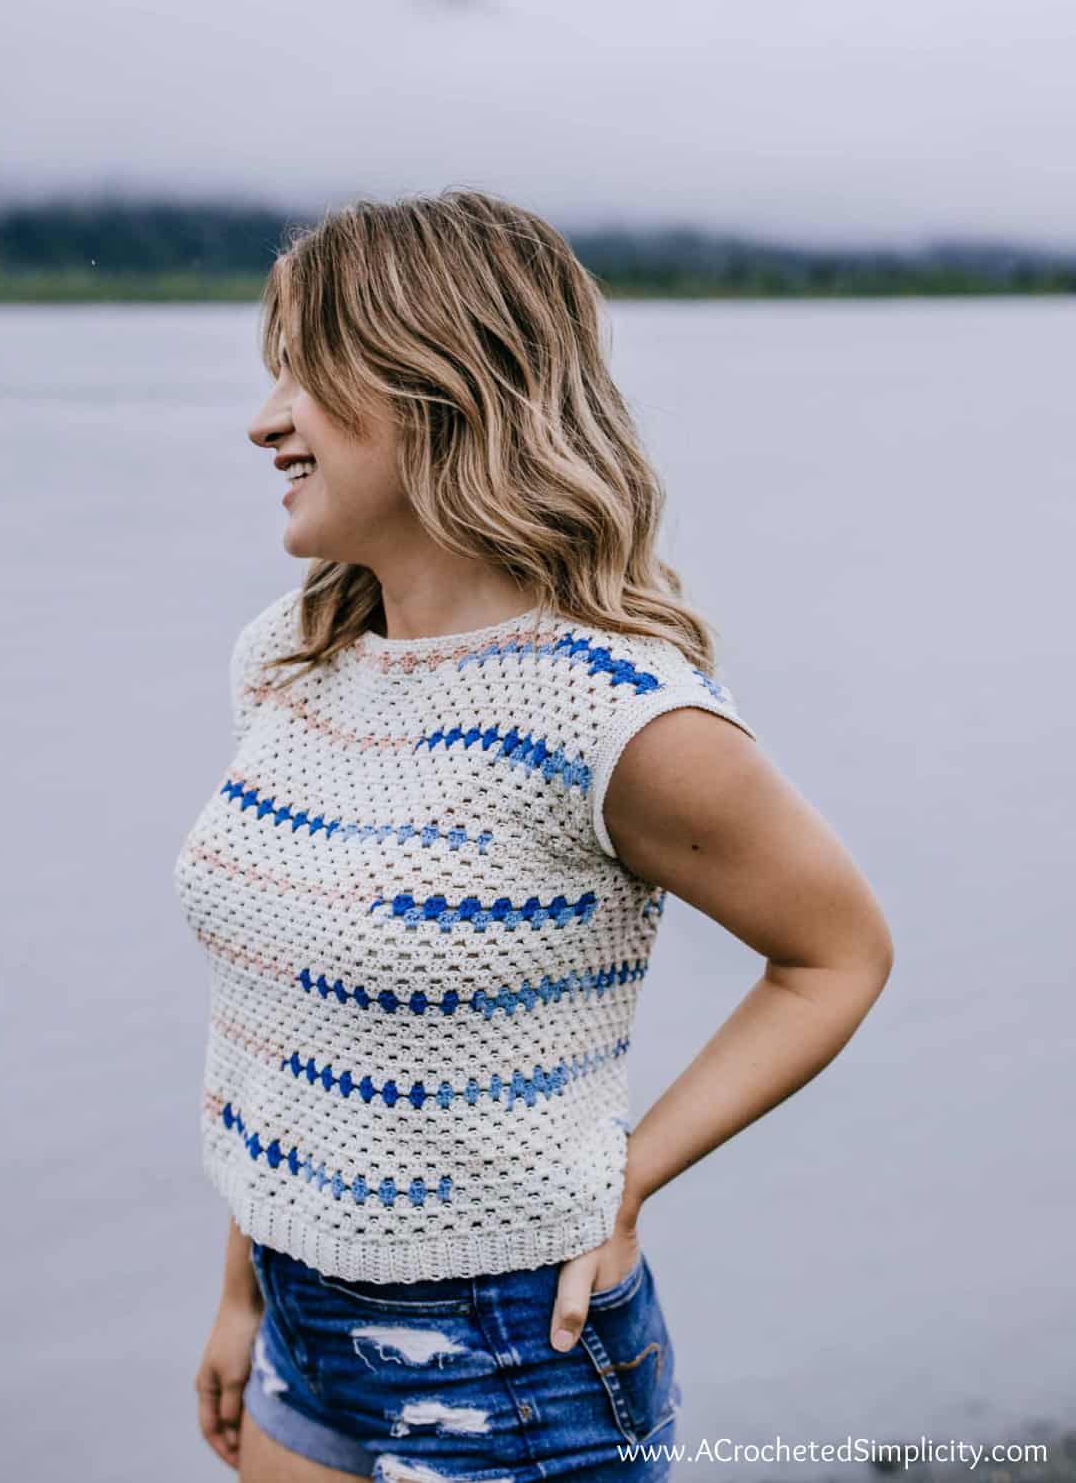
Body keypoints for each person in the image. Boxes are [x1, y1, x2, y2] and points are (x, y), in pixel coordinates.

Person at [173, 189, 894, 1482]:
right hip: (297, 1313)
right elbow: (277, 1023)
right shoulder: (289, 657)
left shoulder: (617, 715)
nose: (264, 419)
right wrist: (241, 1293)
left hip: (510, 1349)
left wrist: (627, 1179)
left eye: (305, 373)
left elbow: (837, 956)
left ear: (441, 385)